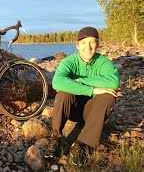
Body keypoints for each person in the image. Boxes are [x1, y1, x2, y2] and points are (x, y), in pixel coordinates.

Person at [44, 27, 120, 166]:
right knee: (63, 93)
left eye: (92, 42)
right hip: (73, 109)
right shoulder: (69, 62)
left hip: (93, 112)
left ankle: (83, 145)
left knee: (109, 96)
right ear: (77, 45)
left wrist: (82, 81)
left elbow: (114, 81)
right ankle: (56, 139)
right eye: (84, 43)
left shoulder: (104, 63)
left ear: (97, 44)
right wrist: (93, 90)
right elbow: (57, 82)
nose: (88, 47)